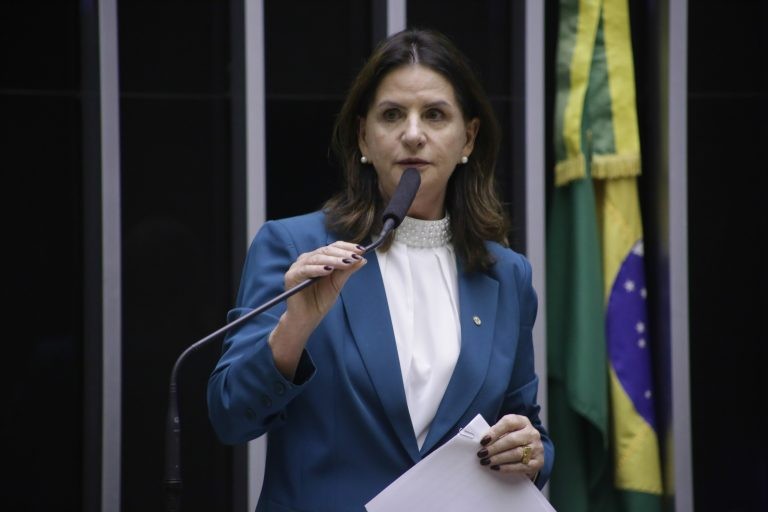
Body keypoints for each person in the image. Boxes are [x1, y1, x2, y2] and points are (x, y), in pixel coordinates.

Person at [207, 28, 554, 511]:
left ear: (468, 138)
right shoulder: (295, 248)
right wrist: (295, 326)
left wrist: (530, 453)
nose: (413, 133)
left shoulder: (506, 274)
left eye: (434, 114)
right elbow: (230, 416)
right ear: (363, 137)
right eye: (392, 115)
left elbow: (524, 424)